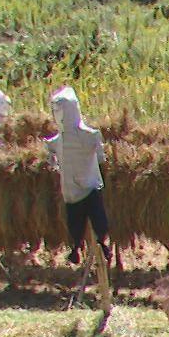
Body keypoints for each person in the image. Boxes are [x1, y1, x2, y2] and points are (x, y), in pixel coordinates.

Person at [45, 87, 107, 265]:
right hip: (70, 192)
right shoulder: (59, 140)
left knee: (98, 223)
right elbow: (50, 150)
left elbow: (100, 156)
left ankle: (101, 246)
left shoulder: (88, 136)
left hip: (89, 187)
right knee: (75, 225)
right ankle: (76, 248)